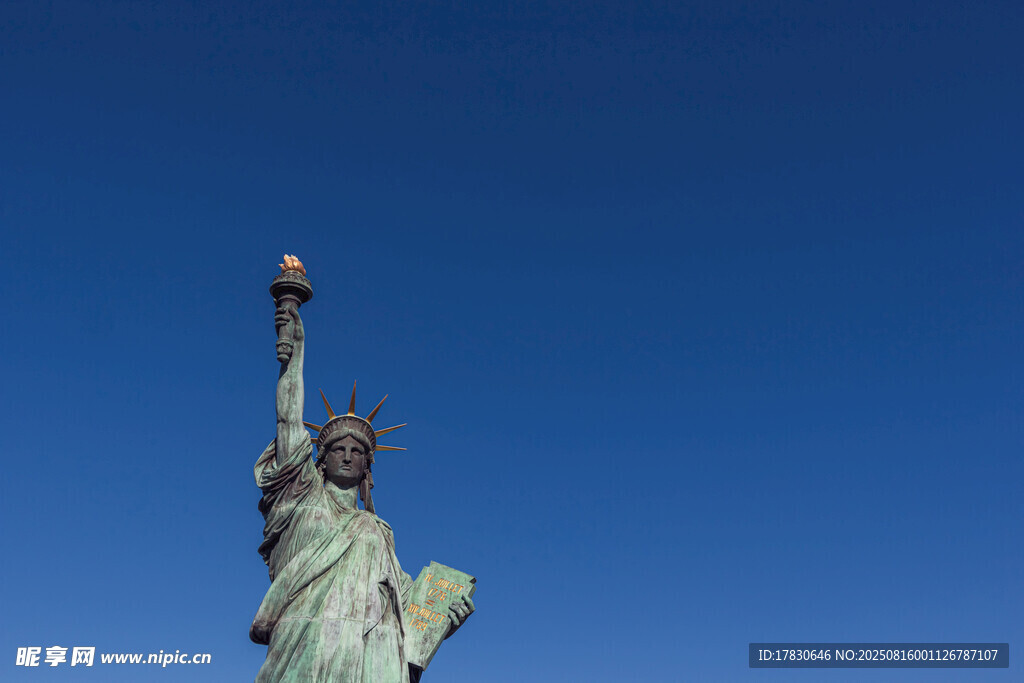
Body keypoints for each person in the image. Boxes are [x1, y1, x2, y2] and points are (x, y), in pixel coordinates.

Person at [250, 304, 472, 682]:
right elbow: (288, 418)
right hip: (306, 641)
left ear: (368, 466)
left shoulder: (379, 532)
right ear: (321, 460)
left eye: (358, 452)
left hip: (372, 654)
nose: (349, 456)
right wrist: (294, 354)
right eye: (339, 449)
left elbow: (410, 610)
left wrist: (444, 618)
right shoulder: (302, 498)